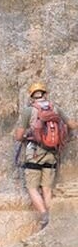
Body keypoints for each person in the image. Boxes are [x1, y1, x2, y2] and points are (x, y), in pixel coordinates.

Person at [14, 82, 77, 228]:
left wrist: (26, 136)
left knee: (32, 188)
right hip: (52, 153)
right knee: (47, 189)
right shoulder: (55, 108)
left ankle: (44, 215)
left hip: (35, 153)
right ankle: (52, 221)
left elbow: (18, 136)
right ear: (45, 94)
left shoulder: (28, 111)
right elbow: (72, 125)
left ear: (31, 96)